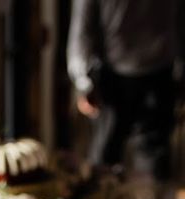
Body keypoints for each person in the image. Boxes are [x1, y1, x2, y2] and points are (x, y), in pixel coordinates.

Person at [67, 0, 183, 178]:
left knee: (108, 163)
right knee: (143, 161)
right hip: (130, 76)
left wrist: (84, 83)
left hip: (145, 74)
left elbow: (82, 31)